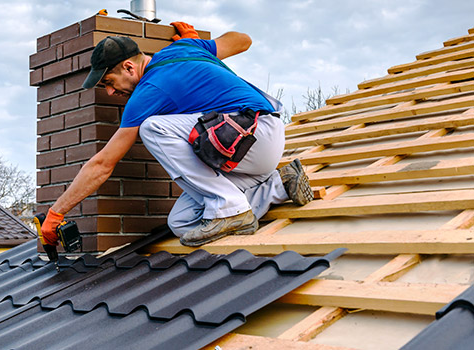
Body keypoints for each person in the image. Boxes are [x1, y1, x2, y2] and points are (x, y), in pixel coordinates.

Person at [40, 22, 312, 248]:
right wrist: (200, 46)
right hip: (250, 150)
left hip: (253, 134)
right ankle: (279, 185)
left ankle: (231, 208)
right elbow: (243, 40)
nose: (111, 93)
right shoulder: (186, 47)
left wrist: (57, 212)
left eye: (109, 82)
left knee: (153, 127)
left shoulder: (149, 91)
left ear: (128, 67)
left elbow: (102, 164)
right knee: (182, 223)